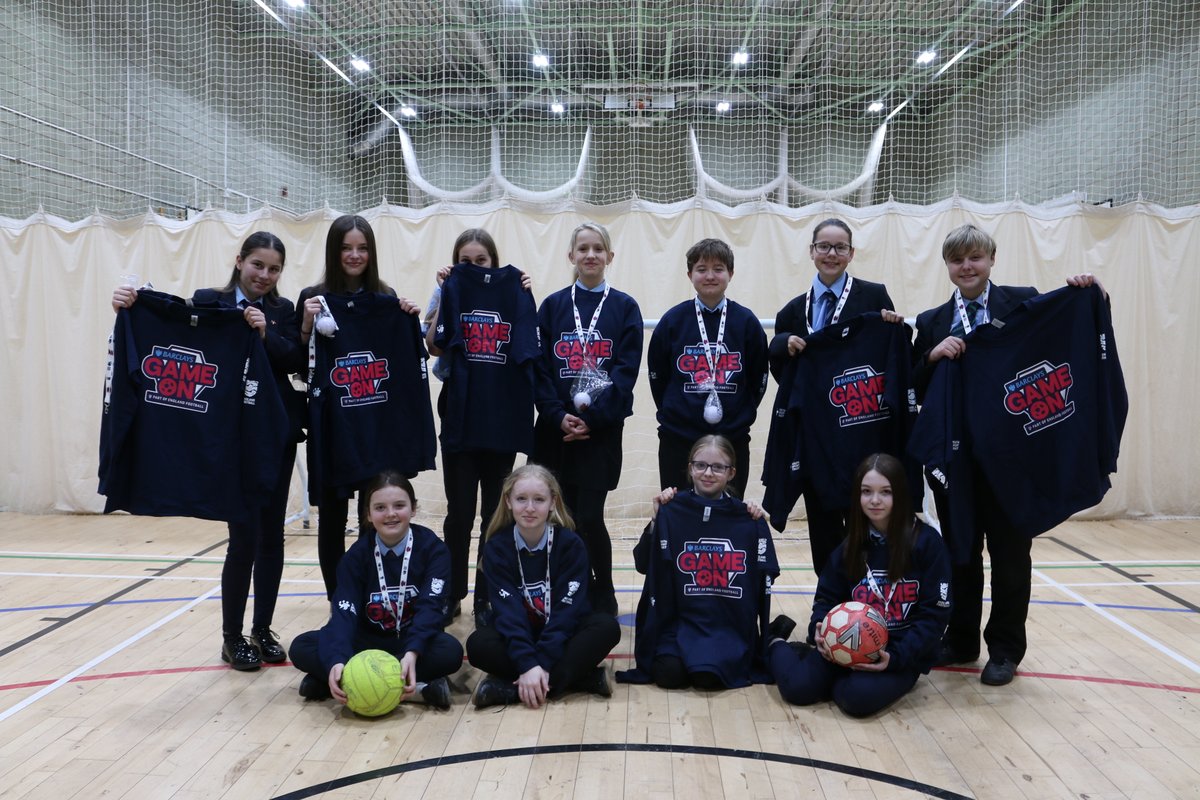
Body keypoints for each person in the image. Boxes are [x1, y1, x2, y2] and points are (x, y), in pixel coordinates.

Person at [911, 222, 1104, 686]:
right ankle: (961, 640)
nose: (967, 266)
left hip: (1014, 458)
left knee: (1011, 554)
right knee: (961, 553)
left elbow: (1060, 336)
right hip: (957, 461)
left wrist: (1085, 291)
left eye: (975, 257)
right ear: (948, 267)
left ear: (992, 259)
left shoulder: (1022, 300)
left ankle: (1005, 649)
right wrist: (932, 356)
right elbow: (914, 385)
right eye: (958, 260)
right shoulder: (932, 320)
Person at [112, 231, 303, 671]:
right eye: (258, 265)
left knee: (272, 536)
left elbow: (293, 358)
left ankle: (263, 629)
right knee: (244, 538)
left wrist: (264, 332)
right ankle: (232, 637)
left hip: (273, 433)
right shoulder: (207, 299)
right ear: (239, 261)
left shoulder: (281, 310)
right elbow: (178, 329)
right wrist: (129, 303)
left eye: (274, 269)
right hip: (228, 437)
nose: (265, 275)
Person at [766, 453, 951, 717]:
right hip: (844, 644)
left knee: (855, 699)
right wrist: (818, 627)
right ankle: (775, 642)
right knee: (798, 689)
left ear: (900, 493)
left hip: (896, 653)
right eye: (867, 492)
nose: (875, 500)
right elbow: (826, 598)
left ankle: (834, 676)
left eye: (885, 492)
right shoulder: (850, 545)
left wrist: (896, 657)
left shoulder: (927, 544)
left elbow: (935, 615)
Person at [767, 218, 902, 576]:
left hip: (862, 432)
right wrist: (782, 345)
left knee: (869, 526)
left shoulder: (874, 295)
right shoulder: (792, 312)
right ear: (811, 252)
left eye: (840, 247)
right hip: (817, 440)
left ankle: (874, 608)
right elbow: (784, 377)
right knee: (824, 528)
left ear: (851, 253)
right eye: (824, 246)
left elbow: (892, 356)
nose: (831, 254)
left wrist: (893, 324)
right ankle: (829, 607)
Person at [296, 214, 421, 598]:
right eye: (346, 248)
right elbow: (299, 365)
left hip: (376, 426)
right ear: (334, 252)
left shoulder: (386, 298)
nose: (354, 255)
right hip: (333, 426)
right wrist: (305, 324)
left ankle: (375, 595)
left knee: (375, 515)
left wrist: (409, 318)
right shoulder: (312, 298)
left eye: (362, 248)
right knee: (332, 519)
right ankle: (340, 599)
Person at [427, 229, 538, 625]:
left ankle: (488, 597)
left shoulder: (517, 290)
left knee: (495, 513)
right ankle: (452, 593)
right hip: (460, 415)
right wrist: (446, 291)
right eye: (465, 262)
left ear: (494, 261)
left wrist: (524, 292)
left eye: (481, 261)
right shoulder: (448, 290)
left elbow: (529, 350)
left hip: (501, 417)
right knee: (460, 513)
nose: (472, 268)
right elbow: (434, 345)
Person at [533, 222, 643, 615]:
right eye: (583, 248)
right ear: (571, 256)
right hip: (554, 434)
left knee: (590, 517)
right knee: (554, 519)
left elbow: (625, 373)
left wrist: (591, 420)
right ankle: (561, 590)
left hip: (600, 434)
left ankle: (604, 591)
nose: (591, 255)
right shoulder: (552, 306)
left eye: (599, 249)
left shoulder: (625, 307)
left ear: (609, 257)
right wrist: (557, 415)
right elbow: (540, 370)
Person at [289, 471, 462, 709]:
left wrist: (413, 651)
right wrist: (337, 659)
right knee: (301, 646)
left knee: (451, 652)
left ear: (413, 509)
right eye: (380, 507)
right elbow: (344, 612)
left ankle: (351, 684)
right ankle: (417, 689)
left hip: (410, 642)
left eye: (399, 505)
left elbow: (431, 608)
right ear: (369, 514)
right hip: (367, 642)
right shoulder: (356, 557)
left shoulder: (434, 550)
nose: (390, 514)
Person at [618, 435, 779, 690]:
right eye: (700, 465)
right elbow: (642, 564)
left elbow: (766, 575)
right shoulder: (670, 509)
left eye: (718, 467)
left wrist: (756, 522)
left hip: (727, 625)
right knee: (669, 675)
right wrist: (655, 520)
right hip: (680, 624)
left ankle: (774, 640)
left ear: (732, 473)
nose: (708, 473)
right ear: (690, 468)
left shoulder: (748, 517)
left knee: (709, 678)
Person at [465, 464, 621, 708]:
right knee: (477, 645)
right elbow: (508, 615)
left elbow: (567, 614)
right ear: (508, 501)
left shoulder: (571, 544)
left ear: (552, 502)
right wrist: (528, 662)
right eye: (521, 499)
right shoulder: (496, 548)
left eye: (538, 499)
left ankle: (510, 689)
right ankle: (578, 679)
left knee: (607, 627)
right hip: (520, 636)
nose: (529, 508)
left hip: (563, 634)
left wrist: (541, 663)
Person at [647, 239, 768, 498]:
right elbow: (658, 377)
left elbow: (758, 377)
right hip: (678, 438)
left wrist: (737, 414)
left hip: (731, 438)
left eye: (718, 268)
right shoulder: (672, 321)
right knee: (677, 512)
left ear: (731, 274)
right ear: (690, 274)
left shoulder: (746, 322)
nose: (710, 276)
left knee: (728, 515)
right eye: (702, 269)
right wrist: (679, 411)